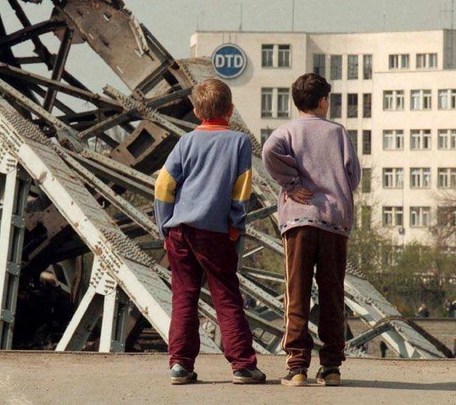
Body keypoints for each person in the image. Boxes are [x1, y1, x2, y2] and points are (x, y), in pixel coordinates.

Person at [154, 78, 265, 386]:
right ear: (230, 110)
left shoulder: (185, 142)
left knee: (184, 296)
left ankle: (180, 365)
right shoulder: (239, 142)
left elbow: (164, 186)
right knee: (226, 296)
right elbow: (241, 191)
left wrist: (165, 225)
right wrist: (235, 225)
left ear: (195, 111)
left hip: (180, 230)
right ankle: (242, 365)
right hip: (215, 233)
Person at [262, 73, 360, 387]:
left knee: (297, 291)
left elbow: (268, 153)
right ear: (322, 101)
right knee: (332, 292)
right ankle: (331, 366)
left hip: (299, 221)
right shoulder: (338, 133)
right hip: (333, 223)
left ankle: (297, 366)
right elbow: (353, 174)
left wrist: (292, 184)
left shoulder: (287, 131)